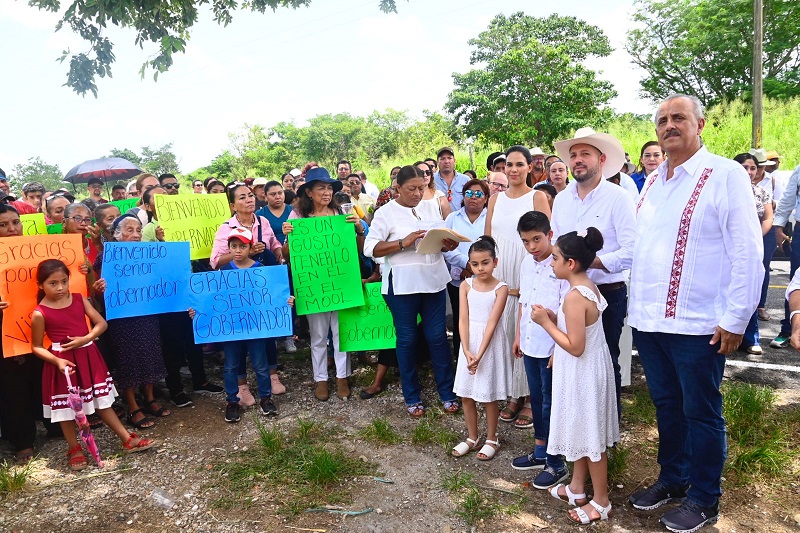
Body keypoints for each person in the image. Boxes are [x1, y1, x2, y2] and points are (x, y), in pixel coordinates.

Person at [629, 94, 763, 533]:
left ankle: (705, 498)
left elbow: (747, 251)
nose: (669, 125)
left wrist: (736, 317)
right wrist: (590, 261)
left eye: (679, 118)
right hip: (650, 322)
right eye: (662, 119)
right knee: (667, 406)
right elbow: (640, 248)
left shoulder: (723, 175)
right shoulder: (651, 181)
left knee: (701, 412)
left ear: (699, 124)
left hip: (700, 323)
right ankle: (673, 479)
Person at [31, 259, 156, 469]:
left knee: (102, 401)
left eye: (64, 281)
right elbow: (36, 346)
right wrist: (58, 361)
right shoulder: (40, 312)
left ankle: (127, 438)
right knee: (67, 410)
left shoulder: (80, 299)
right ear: (41, 285)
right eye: (53, 283)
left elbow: (101, 324)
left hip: (88, 357)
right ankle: (74, 448)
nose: (60, 287)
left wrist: (85, 339)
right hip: (63, 365)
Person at [532, 228, 619, 523]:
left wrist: (546, 323)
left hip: (583, 371)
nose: (551, 262)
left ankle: (602, 501)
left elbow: (576, 346)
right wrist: (557, 320)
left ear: (570, 264)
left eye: (555, 257)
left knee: (590, 435)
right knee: (581, 429)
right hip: (589, 368)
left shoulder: (573, 296)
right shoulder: (588, 286)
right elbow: (579, 329)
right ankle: (577, 488)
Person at [551, 127, 637, 422]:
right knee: (572, 360)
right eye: (573, 155)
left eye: (584, 154)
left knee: (604, 361)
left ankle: (606, 431)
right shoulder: (561, 200)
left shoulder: (619, 198)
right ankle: (577, 427)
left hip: (606, 294)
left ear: (601, 159)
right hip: (570, 295)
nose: (577, 160)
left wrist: (592, 262)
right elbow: (558, 247)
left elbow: (632, 250)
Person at [364, 165, 460, 417]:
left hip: (434, 281)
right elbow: (369, 249)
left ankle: (447, 391)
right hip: (402, 286)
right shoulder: (386, 213)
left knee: (438, 337)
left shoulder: (432, 207)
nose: (418, 193)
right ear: (398, 188)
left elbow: (439, 242)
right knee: (407, 340)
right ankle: (412, 394)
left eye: (422, 188)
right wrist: (401, 243)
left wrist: (447, 243)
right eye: (411, 189)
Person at [282, 168, 364, 401]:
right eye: (321, 188)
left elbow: (358, 249)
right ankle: (321, 379)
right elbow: (287, 255)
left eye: (329, 188)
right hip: (313, 287)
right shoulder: (297, 218)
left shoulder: (341, 214)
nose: (327, 192)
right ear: (309, 192)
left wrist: (358, 228)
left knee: (341, 333)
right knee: (318, 335)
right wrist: (287, 235)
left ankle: (342, 377)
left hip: (340, 283)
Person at [485, 145, 551, 430]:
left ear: (529, 167)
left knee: (525, 333)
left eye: (519, 164)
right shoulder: (495, 199)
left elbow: (548, 239)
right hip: (500, 276)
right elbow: (488, 239)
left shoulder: (537, 196)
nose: (512, 170)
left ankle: (528, 399)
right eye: (508, 165)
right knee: (505, 334)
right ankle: (514, 394)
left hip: (528, 274)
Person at [201, 227, 289, 422]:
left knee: (260, 364)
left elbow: (272, 296)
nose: (238, 250)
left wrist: (285, 301)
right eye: (234, 246)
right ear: (229, 248)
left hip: (256, 328)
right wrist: (198, 312)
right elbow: (214, 299)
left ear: (250, 248)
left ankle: (265, 398)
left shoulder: (260, 270)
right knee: (230, 366)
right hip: (231, 330)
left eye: (242, 246)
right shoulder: (224, 271)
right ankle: (232, 401)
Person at [94, 215, 173, 428]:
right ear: (116, 234)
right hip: (121, 319)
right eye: (129, 230)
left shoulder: (149, 253)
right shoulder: (106, 257)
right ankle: (132, 406)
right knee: (127, 359)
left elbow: (165, 275)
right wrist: (100, 289)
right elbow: (101, 295)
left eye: (138, 230)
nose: (136, 234)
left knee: (150, 353)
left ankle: (149, 399)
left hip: (147, 314)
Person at [510, 211, 570, 482]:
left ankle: (557, 463)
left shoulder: (560, 267)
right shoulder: (526, 263)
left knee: (550, 402)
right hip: (530, 341)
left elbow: (565, 311)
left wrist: (559, 347)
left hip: (551, 346)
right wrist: (518, 336)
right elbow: (524, 301)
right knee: (536, 398)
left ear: (549, 235)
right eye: (526, 241)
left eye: (537, 239)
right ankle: (540, 451)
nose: (532, 247)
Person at [451, 236, 510, 461]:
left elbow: (493, 323)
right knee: (467, 393)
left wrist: (480, 354)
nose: (480, 268)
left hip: (489, 344)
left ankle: (492, 438)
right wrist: (467, 350)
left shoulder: (501, 288)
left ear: (495, 262)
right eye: (475, 264)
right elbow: (463, 319)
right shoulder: (465, 285)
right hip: (470, 345)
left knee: (487, 395)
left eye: (485, 262)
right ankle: (472, 436)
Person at [443, 179, 490, 356]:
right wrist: (467, 264)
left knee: (484, 320)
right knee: (460, 320)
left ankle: (482, 357)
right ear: (463, 196)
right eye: (469, 193)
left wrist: (477, 267)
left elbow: (495, 246)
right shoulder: (452, 218)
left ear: (486, 198)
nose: (473, 198)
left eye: (479, 194)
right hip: (458, 279)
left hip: (486, 280)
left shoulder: (490, 218)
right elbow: (445, 248)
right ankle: (461, 360)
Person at [733, 152, 773, 355]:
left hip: (754, 245)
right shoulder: (725, 190)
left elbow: (767, 218)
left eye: (753, 168)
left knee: (750, 290)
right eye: (744, 167)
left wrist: (754, 237)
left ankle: (750, 338)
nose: (749, 172)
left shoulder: (761, 192)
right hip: (730, 247)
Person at [255, 180, 298, 358]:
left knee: (291, 297)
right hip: (271, 262)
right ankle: (273, 333)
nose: (277, 196)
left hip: (294, 259)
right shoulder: (261, 215)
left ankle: (289, 334)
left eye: (280, 193)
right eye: (273, 194)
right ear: (265, 196)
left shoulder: (293, 212)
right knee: (273, 296)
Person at [748, 148, 778, 322]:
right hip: (747, 231)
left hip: (765, 231)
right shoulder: (738, 180)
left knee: (762, 268)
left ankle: (760, 305)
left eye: (758, 167)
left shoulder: (773, 180)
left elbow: (778, 206)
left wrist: (757, 236)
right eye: (752, 166)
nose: (755, 171)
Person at [434, 147, 470, 212]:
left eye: (449, 158)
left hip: (460, 220)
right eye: (442, 159)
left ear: (454, 161)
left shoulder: (465, 180)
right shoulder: (431, 180)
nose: (446, 161)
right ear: (437, 162)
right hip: (438, 220)